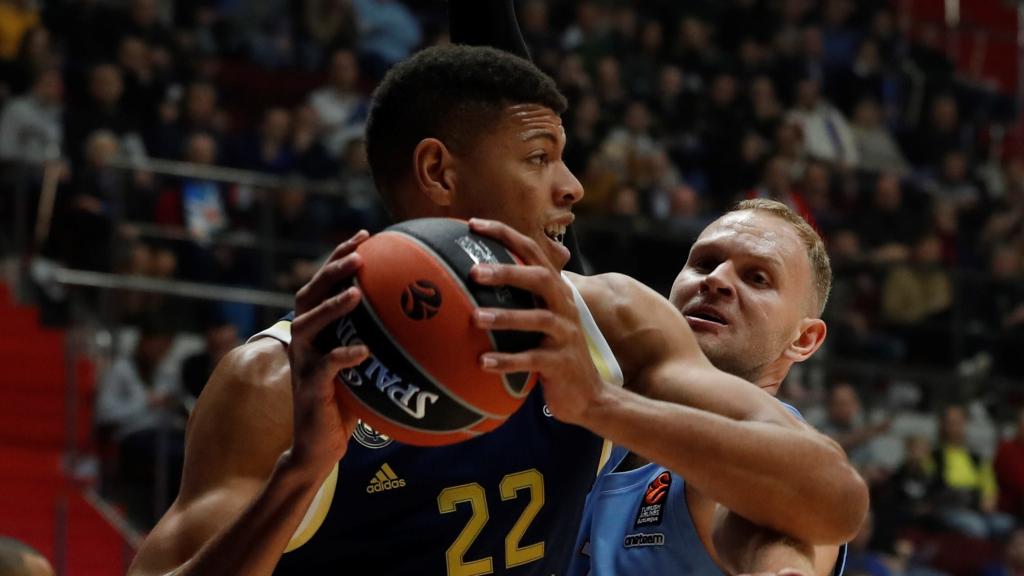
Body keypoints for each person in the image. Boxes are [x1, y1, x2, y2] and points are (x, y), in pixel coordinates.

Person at [128, 10, 865, 576]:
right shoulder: (275, 380)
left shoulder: (608, 321)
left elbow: (834, 500)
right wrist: (301, 474)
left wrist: (597, 403)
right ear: (440, 174)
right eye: (541, 158)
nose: (572, 187)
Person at [567, 199, 850, 576]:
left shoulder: (756, 448)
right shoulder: (622, 432)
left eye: (757, 278)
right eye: (704, 263)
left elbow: (775, 517)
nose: (716, 280)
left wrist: (781, 564)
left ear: (804, 339)